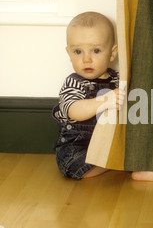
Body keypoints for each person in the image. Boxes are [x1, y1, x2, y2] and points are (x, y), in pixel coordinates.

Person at [52, 11, 125, 179]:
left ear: (112, 53)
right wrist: (105, 100)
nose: (86, 59)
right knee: (72, 163)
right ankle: (114, 164)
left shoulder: (117, 79)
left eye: (96, 51)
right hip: (78, 145)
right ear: (69, 53)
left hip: (108, 142)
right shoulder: (74, 83)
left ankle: (116, 160)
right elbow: (73, 110)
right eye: (78, 52)